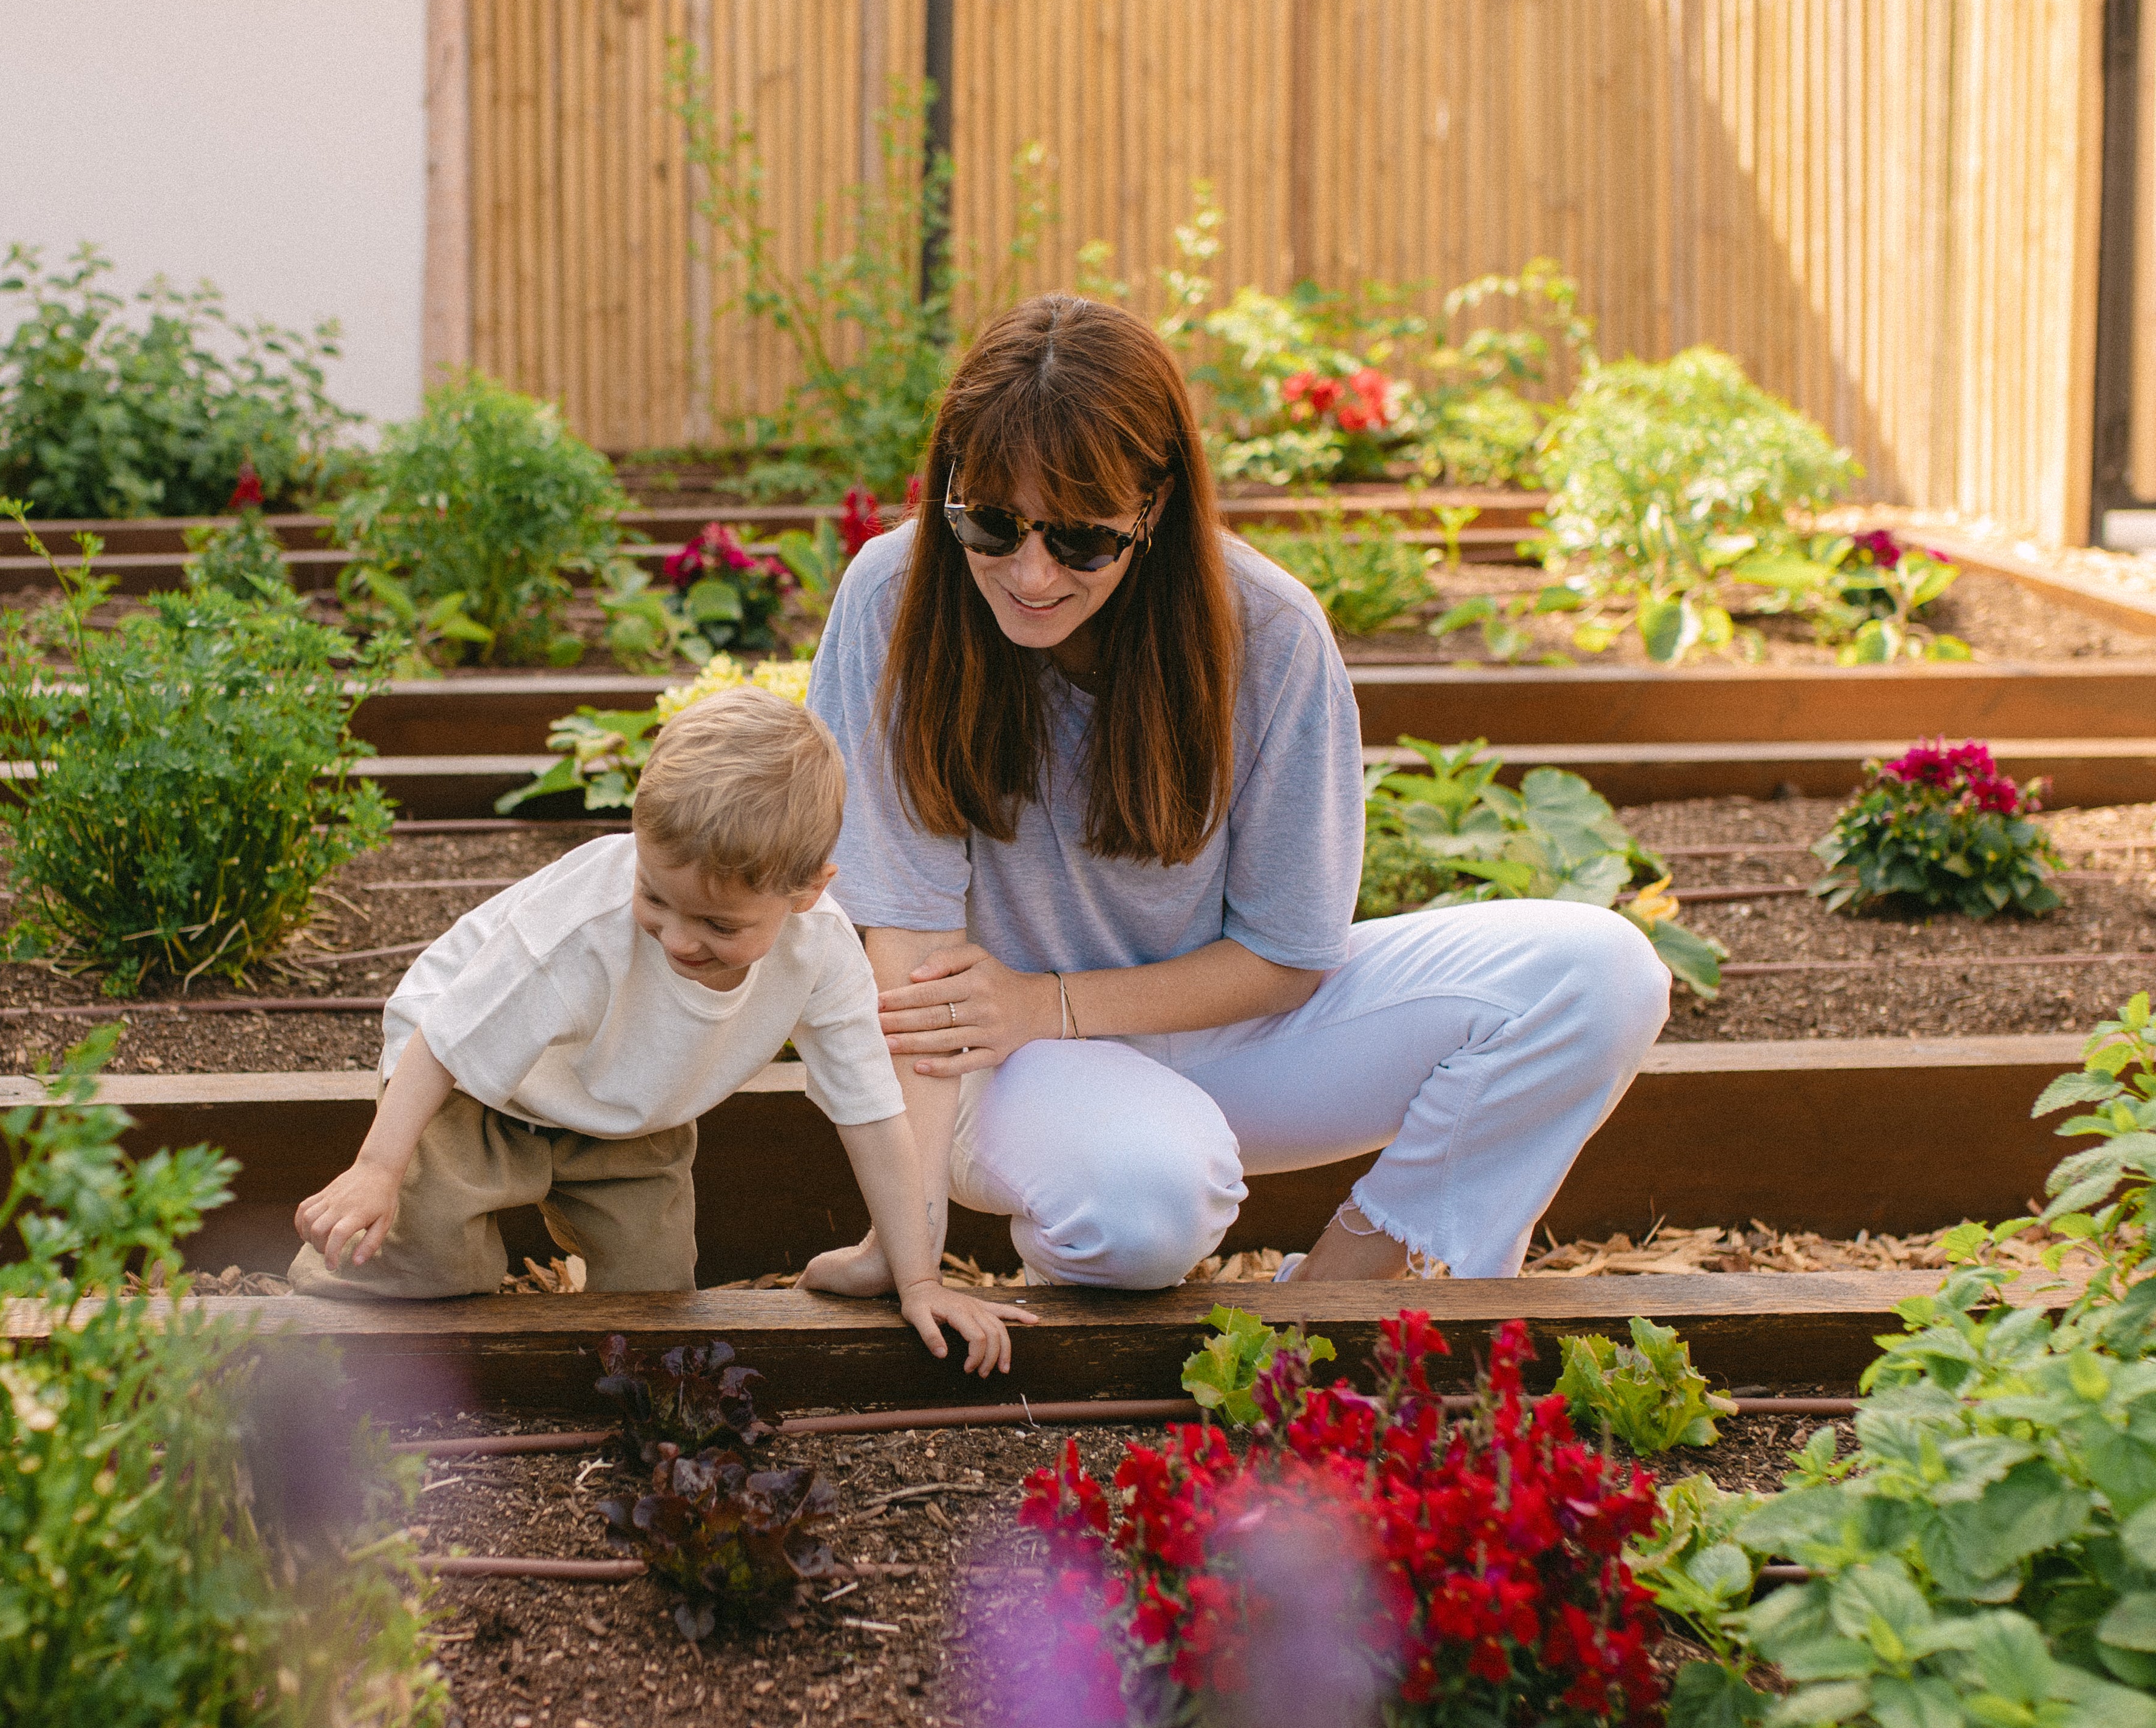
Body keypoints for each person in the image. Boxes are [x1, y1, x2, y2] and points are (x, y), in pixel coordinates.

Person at [802, 292, 1671, 1295]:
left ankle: (1360, 1262)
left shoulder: (1267, 635)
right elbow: (911, 968)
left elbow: (1287, 954)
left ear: (1155, 506)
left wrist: (1053, 999)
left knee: (1600, 974)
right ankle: (1090, 1221)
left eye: (1081, 540)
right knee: (1148, 1207)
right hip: (1000, 1065)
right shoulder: (893, 596)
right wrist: (902, 1251)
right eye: (989, 523)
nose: (1029, 573)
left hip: (1208, 1034)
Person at [289, 684, 1027, 1375]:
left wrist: (919, 1277)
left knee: (656, 1308)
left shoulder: (823, 954)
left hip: (629, 1114)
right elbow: (447, 1039)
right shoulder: (580, 929)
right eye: (656, 896)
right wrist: (378, 1169)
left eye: (718, 923)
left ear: (807, 891)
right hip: (478, 1086)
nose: (677, 938)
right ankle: (339, 1276)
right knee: (433, 1269)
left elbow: (874, 1115)